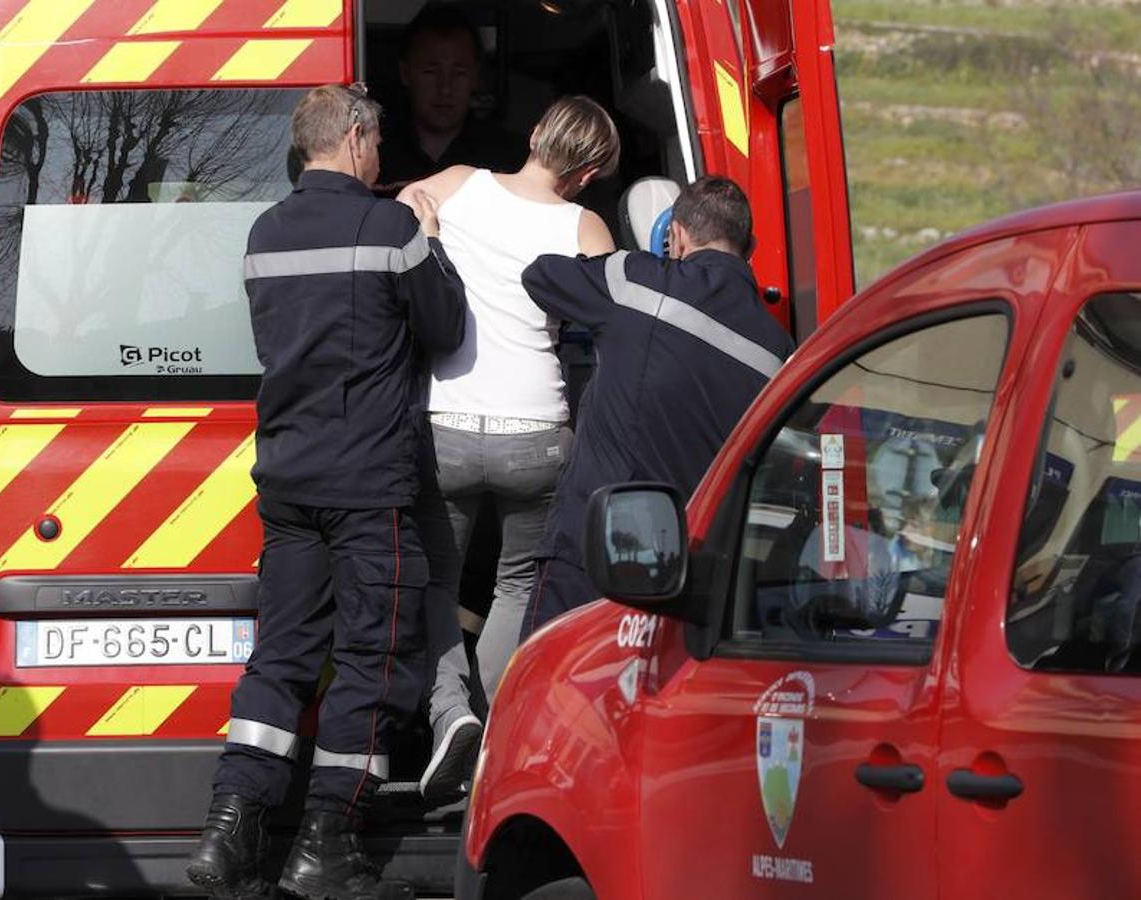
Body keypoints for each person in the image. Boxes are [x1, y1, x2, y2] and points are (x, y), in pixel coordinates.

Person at [186, 84, 466, 900]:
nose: (381, 157)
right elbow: (443, 327)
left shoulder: (263, 232)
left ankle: (228, 834)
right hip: (367, 483)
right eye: (376, 142)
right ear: (353, 139)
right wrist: (433, 240)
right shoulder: (391, 229)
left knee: (281, 657)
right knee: (371, 662)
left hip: (287, 478)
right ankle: (326, 844)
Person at [398, 96, 619, 799]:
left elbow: (402, 202)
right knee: (517, 585)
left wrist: (425, 222)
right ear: (588, 174)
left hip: (448, 427)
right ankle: (493, 737)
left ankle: (451, 713)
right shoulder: (585, 225)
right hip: (537, 430)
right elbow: (613, 319)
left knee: (437, 581)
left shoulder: (460, 181)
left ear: (532, 134)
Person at [518, 176, 795, 636]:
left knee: (549, 695)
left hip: (591, 551)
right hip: (688, 575)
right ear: (751, 247)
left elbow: (541, 276)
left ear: (677, 235)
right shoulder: (779, 354)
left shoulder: (636, 281)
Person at [376, 4, 523, 191]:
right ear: (405, 73)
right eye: (431, 71)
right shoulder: (375, 154)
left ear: (475, 76)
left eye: (459, 73)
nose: (445, 88)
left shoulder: (508, 159)